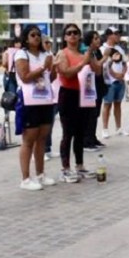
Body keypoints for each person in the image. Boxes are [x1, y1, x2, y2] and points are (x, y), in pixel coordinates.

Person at [53, 24, 96, 183]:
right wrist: (83, 63)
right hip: (68, 94)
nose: (72, 35)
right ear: (65, 37)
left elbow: (97, 71)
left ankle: (80, 165)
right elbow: (66, 73)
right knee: (68, 133)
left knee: (80, 132)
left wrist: (92, 56)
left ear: (79, 36)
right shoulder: (62, 53)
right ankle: (65, 168)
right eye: (69, 33)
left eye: (75, 33)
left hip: (83, 94)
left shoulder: (83, 53)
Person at [15, 26, 56, 191]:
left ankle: (40, 174)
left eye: (39, 35)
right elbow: (25, 77)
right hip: (29, 100)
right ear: (26, 38)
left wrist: (53, 67)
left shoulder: (45, 55)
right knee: (29, 139)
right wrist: (43, 67)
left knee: (42, 137)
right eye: (33, 35)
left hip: (45, 99)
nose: (37, 37)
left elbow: (51, 78)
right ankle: (25, 179)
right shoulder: (22, 54)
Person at [100, 29, 128, 138]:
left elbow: (124, 63)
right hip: (109, 82)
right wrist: (114, 75)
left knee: (118, 104)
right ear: (109, 35)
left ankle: (118, 128)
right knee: (107, 104)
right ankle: (105, 129)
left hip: (120, 81)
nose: (118, 36)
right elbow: (104, 66)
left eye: (119, 34)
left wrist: (123, 74)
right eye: (116, 34)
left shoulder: (119, 49)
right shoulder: (103, 49)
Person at [82, 30, 107, 150]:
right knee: (89, 114)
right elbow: (96, 67)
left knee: (95, 113)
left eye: (98, 38)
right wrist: (106, 57)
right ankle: (86, 140)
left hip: (99, 84)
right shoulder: (87, 52)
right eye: (95, 38)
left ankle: (92, 136)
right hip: (90, 84)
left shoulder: (97, 51)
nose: (98, 40)